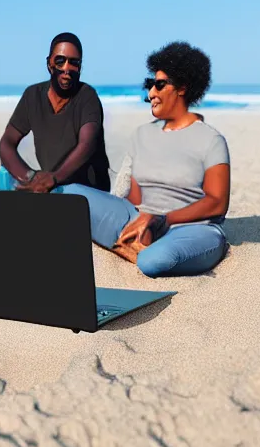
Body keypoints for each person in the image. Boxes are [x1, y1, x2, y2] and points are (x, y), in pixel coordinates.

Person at [56, 41, 231, 278]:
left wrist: (162, 218)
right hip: (143, 217)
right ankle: (135, 243)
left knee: (151, 262)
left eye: (159, 85)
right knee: (67, 194)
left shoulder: (211, 140)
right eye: (150, 85)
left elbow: (217, 204)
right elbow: (135, 197)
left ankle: (137, 249)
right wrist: (138, 222)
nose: (151, 94)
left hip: (192, 228)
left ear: (182, 88)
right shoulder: (144, 135)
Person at [0, 32, 111, 193]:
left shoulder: (87, 96)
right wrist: (30, 177)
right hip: (50, 187)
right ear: (49, 64)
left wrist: (54, 178)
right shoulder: (33, 95)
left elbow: (87, 144)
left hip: (86, 191)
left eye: (74, 63)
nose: (66, 68)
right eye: (60, 61)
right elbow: (7, 142)